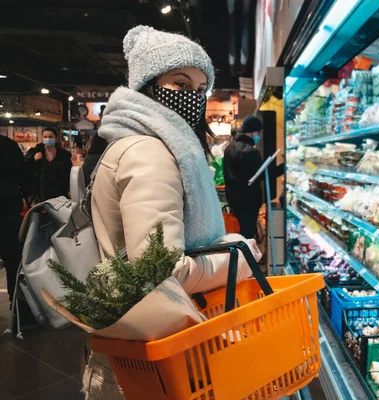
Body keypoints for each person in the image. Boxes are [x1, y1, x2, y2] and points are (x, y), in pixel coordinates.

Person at [84, 25, 262, 400]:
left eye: (200, 89)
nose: (192, 98)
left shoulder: (130, 144)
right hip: (154, 361)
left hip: (131, 346)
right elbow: (160, 269)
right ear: (148, 86)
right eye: (180, 85)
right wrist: (237, 256)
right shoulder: (151, 153)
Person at [223, 115, 264, 239]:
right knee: (247, 238)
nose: (259, 136)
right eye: (259, 133)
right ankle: (246, 258)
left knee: (238, 237)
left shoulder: (229, 148)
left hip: (234, 201)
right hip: (249, 204)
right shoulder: (250, 152)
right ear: (252, 133)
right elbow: (261, 175)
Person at [0, 135, 27, 308]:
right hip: (9, 210)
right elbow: (25, 177)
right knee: (13, 263)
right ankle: (17, 304)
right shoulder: (9, 145)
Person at [26, 127, 72, 202]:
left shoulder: (64, 155)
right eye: (45, 137)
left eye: (50, 137)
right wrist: (34, 159)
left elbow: (69, 173)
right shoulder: (35, 152)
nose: (47, 139)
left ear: (56, 138)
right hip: (40, 194)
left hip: (60, 195)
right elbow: (28, 169)